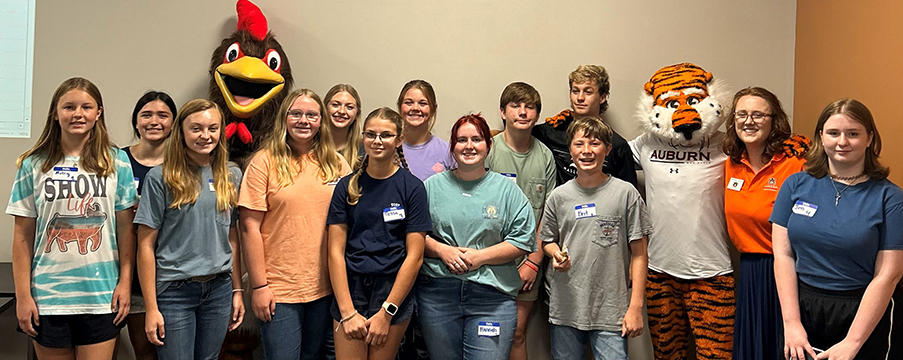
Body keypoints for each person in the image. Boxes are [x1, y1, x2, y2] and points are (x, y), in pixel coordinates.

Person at [7, 77, 137, 359]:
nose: (77, 114)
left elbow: (127, 230)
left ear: (98, 113)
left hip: (101, 297)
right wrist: (23, 296)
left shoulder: (117, 162)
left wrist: (125, 283)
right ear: (55, 113)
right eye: (68, 107)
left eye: (86, 107)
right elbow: (21, 236)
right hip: (47, 299)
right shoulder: (33, 164)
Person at [772, 98, 903, 360]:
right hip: (802, 308)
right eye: (833, 133)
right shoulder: (795, 185)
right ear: (821, 137)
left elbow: (888, 275)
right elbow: (783, 256)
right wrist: (791, 324)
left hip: (862, 313)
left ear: (869, 138)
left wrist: (852, 343)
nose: (842, 142)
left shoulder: (890, 197)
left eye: (853, 133)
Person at [240, 89, 351, 359]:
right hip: (279, 290)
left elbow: (354, 217)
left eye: (312, 115)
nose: (304, 120)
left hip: (325, 287)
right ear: (284, 119)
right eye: (296, 113)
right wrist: (259, 287)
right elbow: (248, 228)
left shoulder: (335, 163)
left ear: (321, 121)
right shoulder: (263, 162)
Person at [417, 113, 536, 360]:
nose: (469, 146)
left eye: (476, 139)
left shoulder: (506, 190)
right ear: (452, 147)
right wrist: (442, 251)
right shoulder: (432, 187)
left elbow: (523, 239)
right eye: (461, 140)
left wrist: (480, 257)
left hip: (491, 296)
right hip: (439, 294)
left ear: (488, 145)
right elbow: (415, 236)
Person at [134, 99, 245, 360]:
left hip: (219, 289)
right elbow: (145, 246)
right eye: (196, 128)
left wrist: (237, 290)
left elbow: (232, 236)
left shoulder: (231, 175)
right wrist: (151, 307)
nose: (205, 136)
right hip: (175, 292)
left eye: (212, 128)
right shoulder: (161, 177)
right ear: (181, 132)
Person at [541, 116, 651, 360]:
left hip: (611, 310)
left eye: (595, 144)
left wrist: (635, 308)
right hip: (566, 308)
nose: (587, 151)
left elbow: (640, 254)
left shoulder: (626, 193)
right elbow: (546, 240)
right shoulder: (558, 196)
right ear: (570, 150)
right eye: (579, 144)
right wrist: (554, 253)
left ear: (607, 149)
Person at [327, 107, 430, 360]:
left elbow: (415, 257)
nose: (377, 140)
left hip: (392, 291)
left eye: (385, 135)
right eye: (370, 134)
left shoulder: (412, 188)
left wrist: (387, 312)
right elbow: (335, 252)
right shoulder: (346, 186)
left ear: (398, 140)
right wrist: (347, 311)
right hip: (351, 290)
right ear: (363, 138)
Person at [721, 87, 806, 360]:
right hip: (750, 270)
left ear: (774, 120)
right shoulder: (731, 164)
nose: (749, 121)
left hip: (791, 271)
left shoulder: (795, 162)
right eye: (742, 114)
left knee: (785, 347)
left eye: (759, 115)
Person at [485, 82, 556, 360]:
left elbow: (548, 217)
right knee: (488, 332)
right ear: (503, 112)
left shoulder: (545, 156)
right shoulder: (488, 149)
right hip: (488, 262)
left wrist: (533, 262)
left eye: (530, 107)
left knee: (517, 332)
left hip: (527, 263)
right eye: (515, 106)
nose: (523, 112)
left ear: (537, 115)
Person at [123, 90, 177, 360]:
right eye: (146, 115)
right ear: (136, 122)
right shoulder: (116, 161)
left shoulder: (182, 166)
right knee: (135, 349)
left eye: (163, 115)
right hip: (123, 271)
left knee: (159, 349)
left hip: (166, 274)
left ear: (173, 123)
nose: (154, 121)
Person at [532, 65, 637, 188]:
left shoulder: (617, 146)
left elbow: (629, 195)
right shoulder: (551, 132)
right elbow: (517, 136)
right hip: (560, 204)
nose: (580, 98)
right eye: (575, 91)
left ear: (602, 97)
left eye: (588, 92)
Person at [397, 80, 456, 181]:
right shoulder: (386, 148)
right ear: (399, 106)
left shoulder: (447, 152)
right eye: (409, 103)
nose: (415, 108)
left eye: (423, 103)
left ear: (433, 109)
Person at [325, 84, 364, 170]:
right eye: (335, 105)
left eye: (349, 107)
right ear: (325, 109)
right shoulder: (311, 145)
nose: (342, 111)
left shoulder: (364, 150)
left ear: (357, 114)